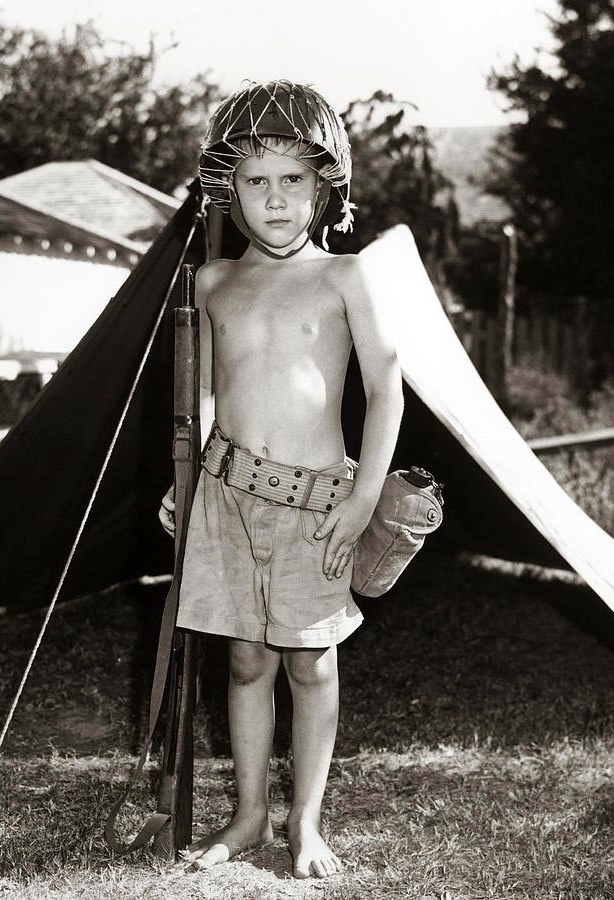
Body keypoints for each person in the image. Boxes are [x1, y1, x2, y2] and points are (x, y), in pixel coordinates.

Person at [159, 80, 404, 879]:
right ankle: (250, 815)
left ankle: (306, 824)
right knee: (244, 662)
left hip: (317, 505)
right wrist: (184, 475)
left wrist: (363, 501)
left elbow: (388, 385)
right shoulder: (210, 283)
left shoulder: (345, 275)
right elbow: (200, 397)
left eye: (292, 180)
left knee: (311, 662)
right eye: (255, 181)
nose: (273, 199)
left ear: (323, 187)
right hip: (227, 498)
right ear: (228, 189)